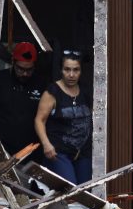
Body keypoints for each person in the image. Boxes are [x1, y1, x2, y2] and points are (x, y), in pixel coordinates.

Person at [34, 52, 92, 184]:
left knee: (85, 191)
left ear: (81, 71)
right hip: (59, 152)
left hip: (82, 152)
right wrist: (46, 144)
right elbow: (39, 120)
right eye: (67, 69)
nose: (71, 74)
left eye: (76, 70)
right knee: (69, 188)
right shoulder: (52, 92)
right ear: (61, 70)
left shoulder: (85, 91)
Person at [0, 42, 44, 158]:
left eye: (29, 70)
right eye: (20, 69)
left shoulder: (41, 83)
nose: (25, 74)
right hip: (1, 150)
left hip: (31, 152)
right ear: (13, 63)